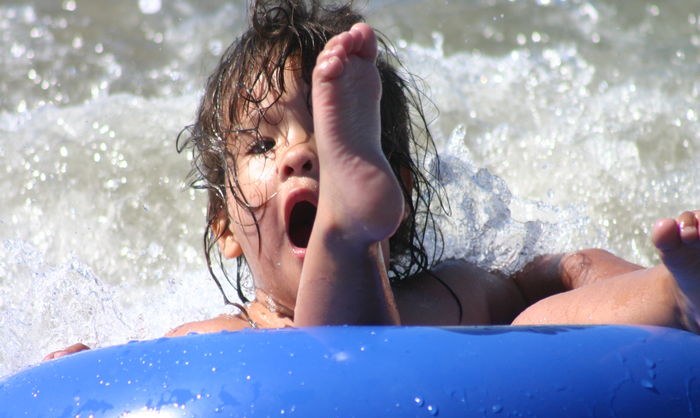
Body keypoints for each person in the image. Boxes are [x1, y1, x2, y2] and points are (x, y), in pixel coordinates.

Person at [44, 0, 698, 360]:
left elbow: (567, 273)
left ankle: (681, 294)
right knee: (322, 350)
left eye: (322, 138)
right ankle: (345, 234)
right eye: (264, 143)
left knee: (541, 315)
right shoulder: (217, 338)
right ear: (225, 225)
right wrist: (82, 367)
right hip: (310, 388)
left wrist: (608, 274)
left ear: (402, 198)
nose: (298, 156)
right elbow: (124, 382)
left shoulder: (455, 292)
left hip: (439, 338)